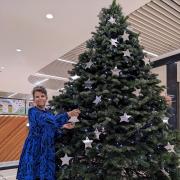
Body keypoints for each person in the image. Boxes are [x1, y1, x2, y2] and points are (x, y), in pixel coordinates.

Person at [16, 86, 80, 180]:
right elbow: (45, 121)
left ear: (46, 98)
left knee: (46, 175)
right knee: (33, 174)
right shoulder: (32, 111)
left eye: (42, 96)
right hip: (34, 149)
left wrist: (63, 126)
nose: (40, 98)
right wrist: (68, 114)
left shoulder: (49, 113)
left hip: (47, 149)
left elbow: (51, 128)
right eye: (37, 97)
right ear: (33, 100)